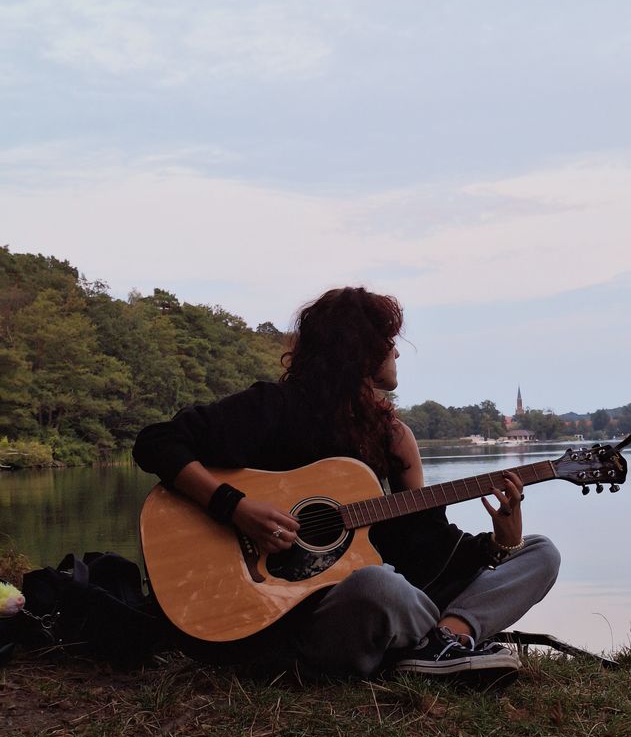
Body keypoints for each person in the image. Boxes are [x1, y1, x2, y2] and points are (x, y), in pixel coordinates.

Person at [133, 287, 560, 683]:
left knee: (540, 553)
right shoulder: (272, 409)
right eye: (387, 340)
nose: (395, 350)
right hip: (306, 622)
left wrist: (498, 545)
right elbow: (156, 442)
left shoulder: (394, 437)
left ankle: (444, 641)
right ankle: (431, 645)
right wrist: (236, 508)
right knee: (376, 585)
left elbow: (424, 545)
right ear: (359, 350)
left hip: (379, 610)